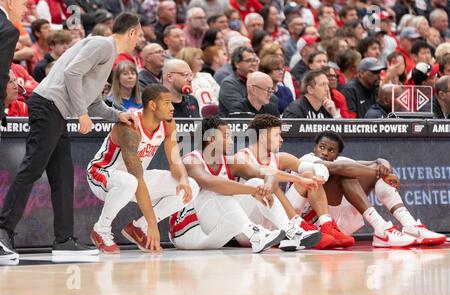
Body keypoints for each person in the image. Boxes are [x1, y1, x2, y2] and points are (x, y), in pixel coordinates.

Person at [0, 12, 141, 258]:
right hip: (49, 106)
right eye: (138, 35)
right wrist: (81, 113)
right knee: (32, 168)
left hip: (57, 110)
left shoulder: (105, 53)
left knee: (63, 177)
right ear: (131, 32)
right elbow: (72, 74)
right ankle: (2, 231)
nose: (138, 40)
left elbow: (94, 101)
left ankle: (64, 241)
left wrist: (116, 116)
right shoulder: (102, 45)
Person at [170, 116, 318, 252]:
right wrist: (253, 190)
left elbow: (267, 172)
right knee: (219, 190)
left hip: (216, 234)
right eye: (226, 136)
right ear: (211, 139)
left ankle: (290, 231)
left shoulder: (230, 161)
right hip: (186, 231)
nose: (231, 141)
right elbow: (211, 183)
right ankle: (255, 233)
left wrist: (266, 186)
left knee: (256, 181)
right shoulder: (191, 160)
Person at [88, 84, 199, 253]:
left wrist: (183, 179)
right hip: (101, 174)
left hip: (133, 178)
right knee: (130, 182)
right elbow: (137, 177)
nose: (172, 107)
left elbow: (175, 160)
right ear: (152, 105)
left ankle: (139, 228)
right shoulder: (130, 128)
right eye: (167, 103)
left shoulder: (168, 124)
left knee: (191, 186)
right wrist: (153, 222)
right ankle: (101, 230)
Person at [296, 131, 446, 247]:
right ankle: (381, 228)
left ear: (336, 155)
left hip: (335, 226)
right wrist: (377, 171)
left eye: (331, 150)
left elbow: (378, 162)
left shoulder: (339, 161)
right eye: (321, 147)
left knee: (366, 174)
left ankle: (410, 225)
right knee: (343, 174)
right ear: (314, 148)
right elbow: (340, 168)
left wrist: (384, 169)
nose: (325, 152)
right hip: (306, 224)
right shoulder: (306, 159)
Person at [234, 114, 348, 249]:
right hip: (246, 228)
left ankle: (326, 225)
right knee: (270, 179)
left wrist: (320, 176)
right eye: (277, 135)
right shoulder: (242, 157)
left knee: (309, 174)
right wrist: (299, 179)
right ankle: (297, 226)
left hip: (274, 222)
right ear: (264, 137)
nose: (281, 140)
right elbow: (264, 172)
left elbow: (316, 166)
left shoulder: (280, 158)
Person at [0, 0, 23, 145]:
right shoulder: (7, 30)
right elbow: (1, 75)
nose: (25, 10)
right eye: (24, 4)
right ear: (10, 3)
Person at [218, 46, 259, 117]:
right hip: (234, 125)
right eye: (249, 60)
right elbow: (240, 111)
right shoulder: (228, 83)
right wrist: (251, 84)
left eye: (255, 60)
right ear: (237, 64)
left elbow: (270, 102)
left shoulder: (259, 81)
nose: (254, 64)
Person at [176, 47, 220, 114]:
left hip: (216, 117)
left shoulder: (207, 76)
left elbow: (219, 96)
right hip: (196, 119)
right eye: (199, 59)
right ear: (189, 60)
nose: (202, 62)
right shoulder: (180, 80)